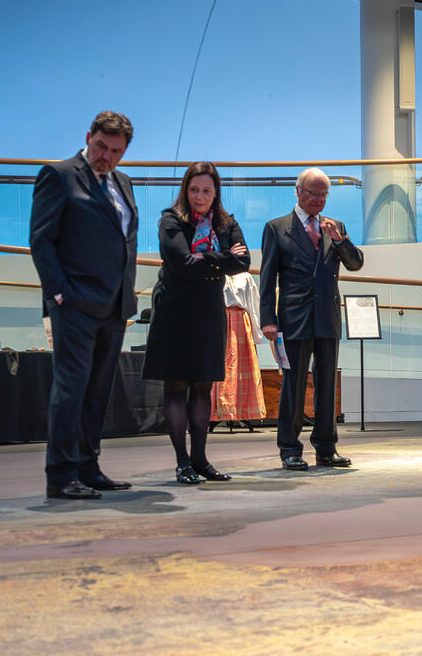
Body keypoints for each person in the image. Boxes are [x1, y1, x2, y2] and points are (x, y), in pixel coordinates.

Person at [29, 111, 138, 500]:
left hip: (114, 305)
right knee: (70, 388)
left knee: (98, 392)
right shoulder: (58, 175)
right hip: (74, 302)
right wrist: (59, 293)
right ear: (88, 137)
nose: (106, 156)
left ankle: (88, 467)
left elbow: (124, 239)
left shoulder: (123, 182)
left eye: (115, 151)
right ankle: (60, 475)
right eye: (101, 147)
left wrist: (127, 292)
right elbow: (41, 240)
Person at [143, 162, 251, 484]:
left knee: (204, 386)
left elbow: (243, 262)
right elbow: (182, 264)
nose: (199, 196)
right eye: (194, 190)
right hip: (175, 311)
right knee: (177, 386)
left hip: (207, 310)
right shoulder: (171, 220)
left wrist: (206, 257)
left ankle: (201, 459)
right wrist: (221, 260)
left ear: (215, 191)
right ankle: (182, 462)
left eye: (206, 190)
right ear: (185, 190)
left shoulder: (226, 223)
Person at [259, 168, 364, 471]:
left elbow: (355, 263)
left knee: (327, 384)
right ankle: (290, 448)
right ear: (298, 192)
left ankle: (326, 448)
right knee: (293, 385)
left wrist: (340, 239)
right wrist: (268, 319)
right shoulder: (277, 228)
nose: (318, 199)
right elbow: (267, 280)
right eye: (312, 193)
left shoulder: (336, 227)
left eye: (323, 194)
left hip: (328, 317)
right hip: (293, 319)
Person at [211, 271, 267, 431]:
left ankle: (241, 411)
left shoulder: (246, 277)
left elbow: (253, 304)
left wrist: (257, 333)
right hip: (220, 319)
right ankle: (220, 411)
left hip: (241, 323)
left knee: (242, 368)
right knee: (222, 366)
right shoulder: (215, 273)